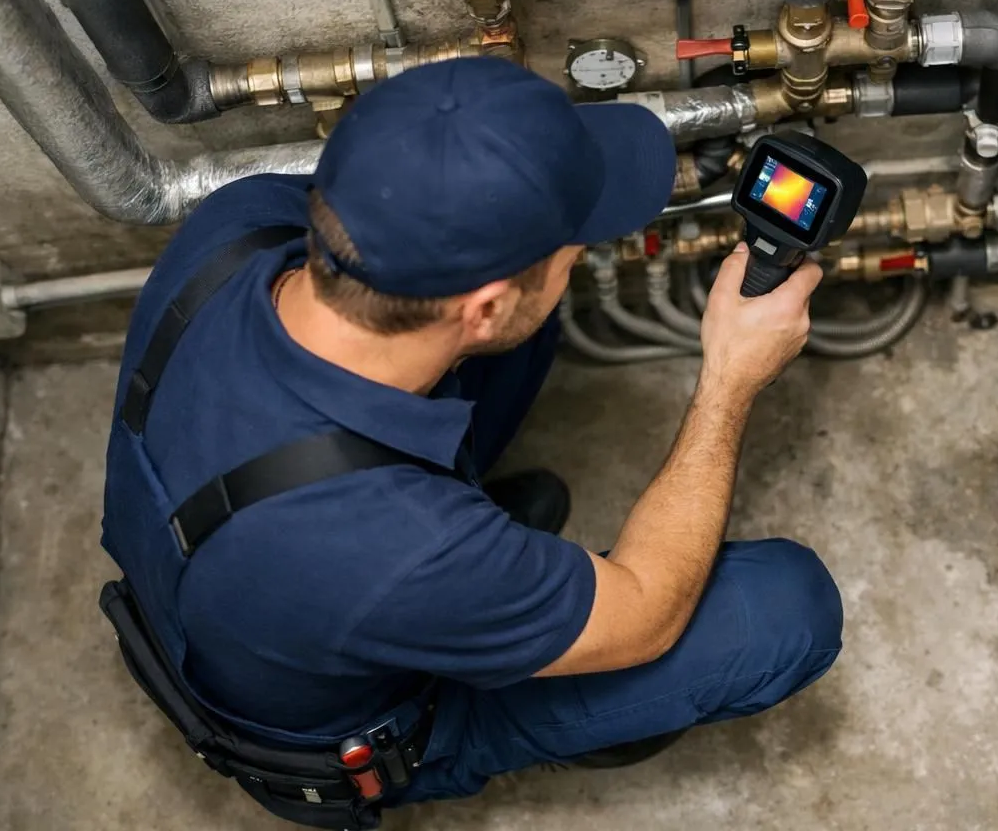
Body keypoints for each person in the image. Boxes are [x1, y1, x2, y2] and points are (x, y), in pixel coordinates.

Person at [100, 56, 843, 811]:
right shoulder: (398, 546)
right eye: (571, 247)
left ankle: (493, 593)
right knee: (787, 612)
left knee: (533, 325)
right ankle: (566, 713)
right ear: (481, 307)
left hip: (241, 548)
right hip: (352, 729)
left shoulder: (242, 221)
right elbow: (646, 613)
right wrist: (730, 379)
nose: (580, 250)